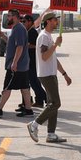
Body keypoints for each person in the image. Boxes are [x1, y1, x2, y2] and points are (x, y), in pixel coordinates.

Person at [27, 12, 72, 143]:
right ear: (48, 21)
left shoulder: (48, 36)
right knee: (56, 103)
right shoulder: (43, 37)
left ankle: (51, 134)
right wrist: (55, 44)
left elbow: (53, 58)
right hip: (46, 74)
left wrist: (64, 74)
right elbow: (45, 56)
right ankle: (34, 125)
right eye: (54, 20)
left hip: (51, 74)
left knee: (53, 104)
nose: (56, 22)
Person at [0, 8, 33, 117]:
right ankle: (28, 109)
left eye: (9, 16)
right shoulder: (16, 28)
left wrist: (14, 62)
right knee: (24, 87)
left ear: (15, 16)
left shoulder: (19, 29)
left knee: (7, 87)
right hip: (21, 65)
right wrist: (3, 37)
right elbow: (13, 43)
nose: (8, 18)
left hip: (17, 66)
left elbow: (20, 47)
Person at [23, 14, 47, 110]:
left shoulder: (32, 32)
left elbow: (36, 46)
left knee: (34, 82)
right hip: (30, 61)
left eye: (24, 21)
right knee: (33, 83)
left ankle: (47, 99)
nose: (23, 23)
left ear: (29, 21)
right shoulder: (28, 32)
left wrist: (27, 46)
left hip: (32, 61)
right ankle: (39, 101)